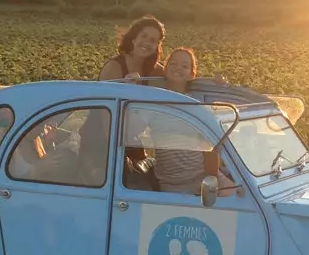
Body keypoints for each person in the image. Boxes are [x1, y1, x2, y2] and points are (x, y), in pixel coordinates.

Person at [147, 47, 236, 196]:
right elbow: (134, 130)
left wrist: (211, 182)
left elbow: (211, 145)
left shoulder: (196, 103)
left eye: (185, 66)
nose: (178, 68)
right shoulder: (154, 103)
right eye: (173, 63)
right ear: (165, 68)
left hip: (204, 178)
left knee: (242, 199)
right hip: (172, 184)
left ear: (191, 74)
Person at [98, 15, 167, 84]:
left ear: (156, 47)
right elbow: (102, 94)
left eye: (153, 40)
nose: (147, 43)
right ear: (133, 38)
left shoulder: (159, 72)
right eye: (143, 36)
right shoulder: (113, 68)